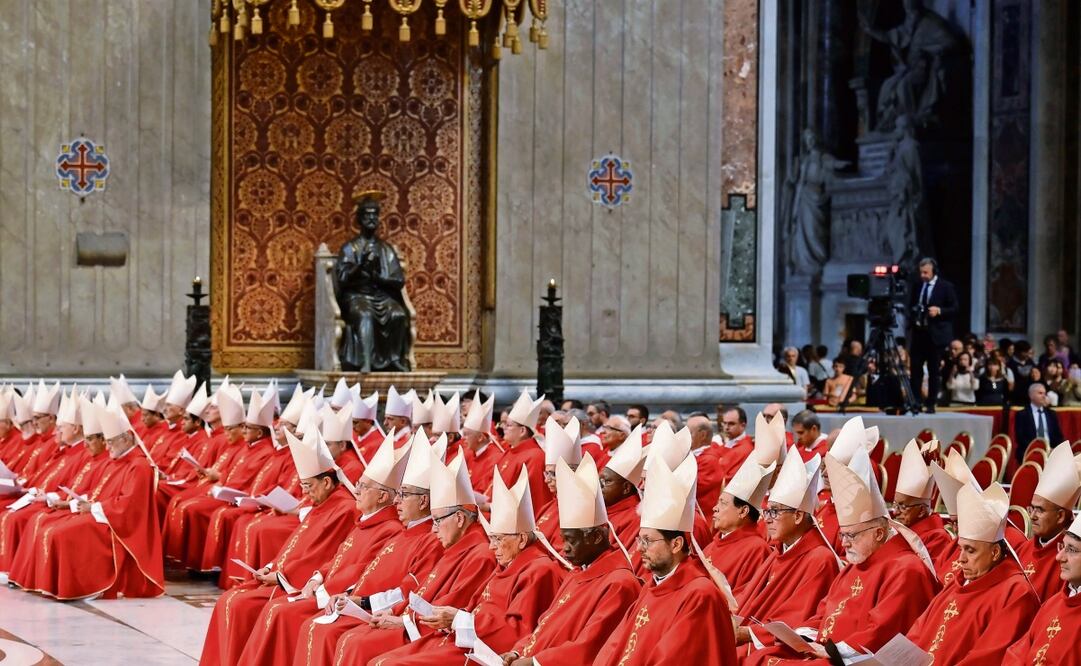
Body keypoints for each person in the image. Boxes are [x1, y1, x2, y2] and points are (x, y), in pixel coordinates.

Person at [744, 448, 939, 664]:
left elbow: (884, 631)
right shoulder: (857, 562)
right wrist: (801, 637)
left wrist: (832, 651)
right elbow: (824, 612)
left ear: (879, 533)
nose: (844, 543)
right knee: (760, 657)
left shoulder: (906, 569)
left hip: (854, 660)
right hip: (826, 650)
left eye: (851, 535)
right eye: (842, 535)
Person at [199, 427, 364, 666]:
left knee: (240, 605)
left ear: (327, 482)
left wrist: (282, 576)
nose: (305, 493)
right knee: (230, 598)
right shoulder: (324, 503)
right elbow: (295, 545)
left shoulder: (344, 509)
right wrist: (269, 567)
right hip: (285, 577)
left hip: (298, 583)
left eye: (308, 487)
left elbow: (323, 554)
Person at [372, 467, 565, 664]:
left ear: (522, 539)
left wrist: (459, 619)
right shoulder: (507, 563)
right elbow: (473, 607)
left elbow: (516, 631)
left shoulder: (539, 570)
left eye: (498, 539)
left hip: (486, 651)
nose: (491, 546)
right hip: (465, 639)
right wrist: (453, 619)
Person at [283, 430, 441, 666]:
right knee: (312, 627)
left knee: (335, 635)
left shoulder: (426, 539)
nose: (396, 501)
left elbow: (409, 590)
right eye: (398, 494)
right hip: (359, 602)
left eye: (403, 495)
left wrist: (364, 602)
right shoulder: (404, 532)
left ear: (424, 501)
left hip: (382, 611)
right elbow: (348, 562)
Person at [328, 451, 497, 664]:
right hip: (412, 622)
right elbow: (422, 591)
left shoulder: (479, 554)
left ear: (461, 518)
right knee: (351, 639)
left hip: (434, 635)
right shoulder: (457, 545)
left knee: (366, 650)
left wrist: (403, 620)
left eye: (437, 521)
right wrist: (393, 611)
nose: (433, 530)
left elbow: (446, 608)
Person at [8, 402, 164, 600]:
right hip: (101, 514)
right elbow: (97, 492)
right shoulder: (116, 461)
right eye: (106, 441)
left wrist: (94, 507)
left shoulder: (139, 466)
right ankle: (50, 584)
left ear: (127, 439)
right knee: (47, 526)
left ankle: (75, 586)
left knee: (59, 533)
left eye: (110, 441)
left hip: (116, 525)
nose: (107, 447)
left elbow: (129, 507)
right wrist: (78, 504)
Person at [593, 453, 737, 665]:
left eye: (648, 541)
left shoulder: (699, 595)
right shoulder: (653, 585)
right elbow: (617, 643)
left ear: (676, 544)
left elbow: (674, 657)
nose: (640, 549)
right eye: (639, 540)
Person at [501, 454, 641, 665]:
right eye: (563, 539)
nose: (564, 549)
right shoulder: (578, 572)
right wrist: (519, 651)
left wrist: (536, 662)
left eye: (571, 541)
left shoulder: (619, 583)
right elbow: (545, 623)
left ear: (595, 537)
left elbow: (591, 645)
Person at [905, 484, 1039, 663]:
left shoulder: (1016, 593)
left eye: (970, 550)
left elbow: (987, 657)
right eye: (960, 548)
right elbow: (918, 631)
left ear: (995, 553)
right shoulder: (959, 581)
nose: (960, 559)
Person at [734, 452, 840, 655]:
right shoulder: (779, 550)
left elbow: (799, 618)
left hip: (779, 647)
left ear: (799, 515)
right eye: (767, 512)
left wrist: (748, 633)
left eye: (774, 512)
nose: (767, 519)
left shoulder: (819, 558)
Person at [334, 191, 412, 372]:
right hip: (357, 296)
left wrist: (379, 277)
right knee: (365, 315)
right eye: (367, 215)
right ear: (359, 220)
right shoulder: (349, 248)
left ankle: (394, 359)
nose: (371, 219)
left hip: (381, 295)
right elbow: (343, 279)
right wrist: (360, 267)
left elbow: (398, 280)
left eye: (374, 215)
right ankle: (365, 361)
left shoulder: (386, 249)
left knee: (398, 315)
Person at [1004, 512, 1081, 664]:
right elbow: (1017, 653)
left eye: (1071, 550)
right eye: (1062, 546)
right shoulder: (1052, 604)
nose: (1059, 557)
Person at [701, 450, 774, 598]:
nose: (715, 508)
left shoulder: (757, 549)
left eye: (723, 503)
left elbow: (744, 598)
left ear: (743, 511)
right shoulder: (711, 546)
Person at [1015, 442, 1080, 601]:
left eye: (1040, 510)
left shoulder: (1070, 556)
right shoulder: (1023, 549)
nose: (1032, 516)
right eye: (1032, 508)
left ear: (1060, 516)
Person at [890, 439, 956, 575]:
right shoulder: (898, 527)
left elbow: (927, 577)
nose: (895, 512)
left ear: (921, 511)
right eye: (895, 504)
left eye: (902, 506)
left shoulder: (938, 538)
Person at [907, 257, 958, 413]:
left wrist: (940, 311)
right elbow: (911, 304)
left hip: (936, 335)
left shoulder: (945, 287)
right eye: (921, 272)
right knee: (915, 368)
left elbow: (955, 307)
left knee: (934, 369)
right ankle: (915, 401)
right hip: (919, 333)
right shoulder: (917, 285)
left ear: (933, 271)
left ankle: (931, 402)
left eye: (925, 272)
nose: (922, 275)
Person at [492, 391, 552, 514]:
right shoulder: (510, 452)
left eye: (508, 425)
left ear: (522, 430)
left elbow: (533, 500)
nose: (503, 428)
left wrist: (489, 507)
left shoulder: (535, 456)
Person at [1013, 383, 1065, 463]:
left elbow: (1058, 436)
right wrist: (1040, 448)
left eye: (1045, 393)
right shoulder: (1022, 414)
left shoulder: (1051, 414)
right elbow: (1020, 438)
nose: (1044, 396)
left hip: (1050, 452)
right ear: (1031, 395)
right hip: (1030, 451)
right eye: (1040, 393)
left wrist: (1054, 450)